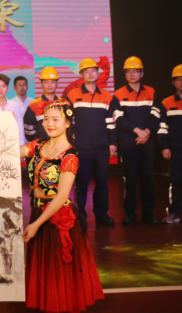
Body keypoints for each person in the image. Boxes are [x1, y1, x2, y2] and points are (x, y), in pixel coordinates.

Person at [20, 99, 104, 312]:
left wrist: (36, 224)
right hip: (38, 212)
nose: (49, 123)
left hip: (57, 217)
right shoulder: (38, 145)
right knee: (46, 268)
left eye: (55, 119)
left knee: (58, 271)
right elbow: (6, 151)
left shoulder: (69, 155)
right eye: (46, 119)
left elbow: (60, 197)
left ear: (67, 123)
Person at [66, 58, 120, 227]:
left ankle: (102, 214)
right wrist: (71, 143)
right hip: (81, 147)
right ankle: (80, 215)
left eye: (93, 70)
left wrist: (112, 143)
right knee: (81, 183)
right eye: (86, 71)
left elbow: (110, 122)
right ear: (81, 74)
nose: (90, 74)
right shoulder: (72, 95)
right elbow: (67, 122)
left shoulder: (107, 96)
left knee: (102, 182)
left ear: (98, 73)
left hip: (101, 147)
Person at [114, 56, 161, 225]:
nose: (132, 74)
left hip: (147, 140)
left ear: (142, 73)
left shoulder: (151, 92)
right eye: (128, 71)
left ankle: (148, 214)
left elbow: (156, 114)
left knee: (148, 178)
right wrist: (138, 131)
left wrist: (146, 132)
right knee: (130, 178)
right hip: (128, 141)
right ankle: (130, 214)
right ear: (125, 74)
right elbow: (119, 119)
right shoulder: (118, 94)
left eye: (135, 71)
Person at [159, 64, 182, 223]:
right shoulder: (166, 103)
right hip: (176, 150)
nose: (181, 81)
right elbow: (162, 128)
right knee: (176, 181)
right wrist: (164, 146)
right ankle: (174, 212)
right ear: (173, 82)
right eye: (178, 79)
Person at [24, 66, 60, 142]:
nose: (50, 85)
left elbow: (71, 127)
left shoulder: (64, 103)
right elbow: (28, 132)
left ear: (57, 83)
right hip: (42, 147)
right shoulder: (33, 106)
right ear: (41, 84)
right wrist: (40, 143)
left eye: (53, 82)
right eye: (46, 82)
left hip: (62, 147)